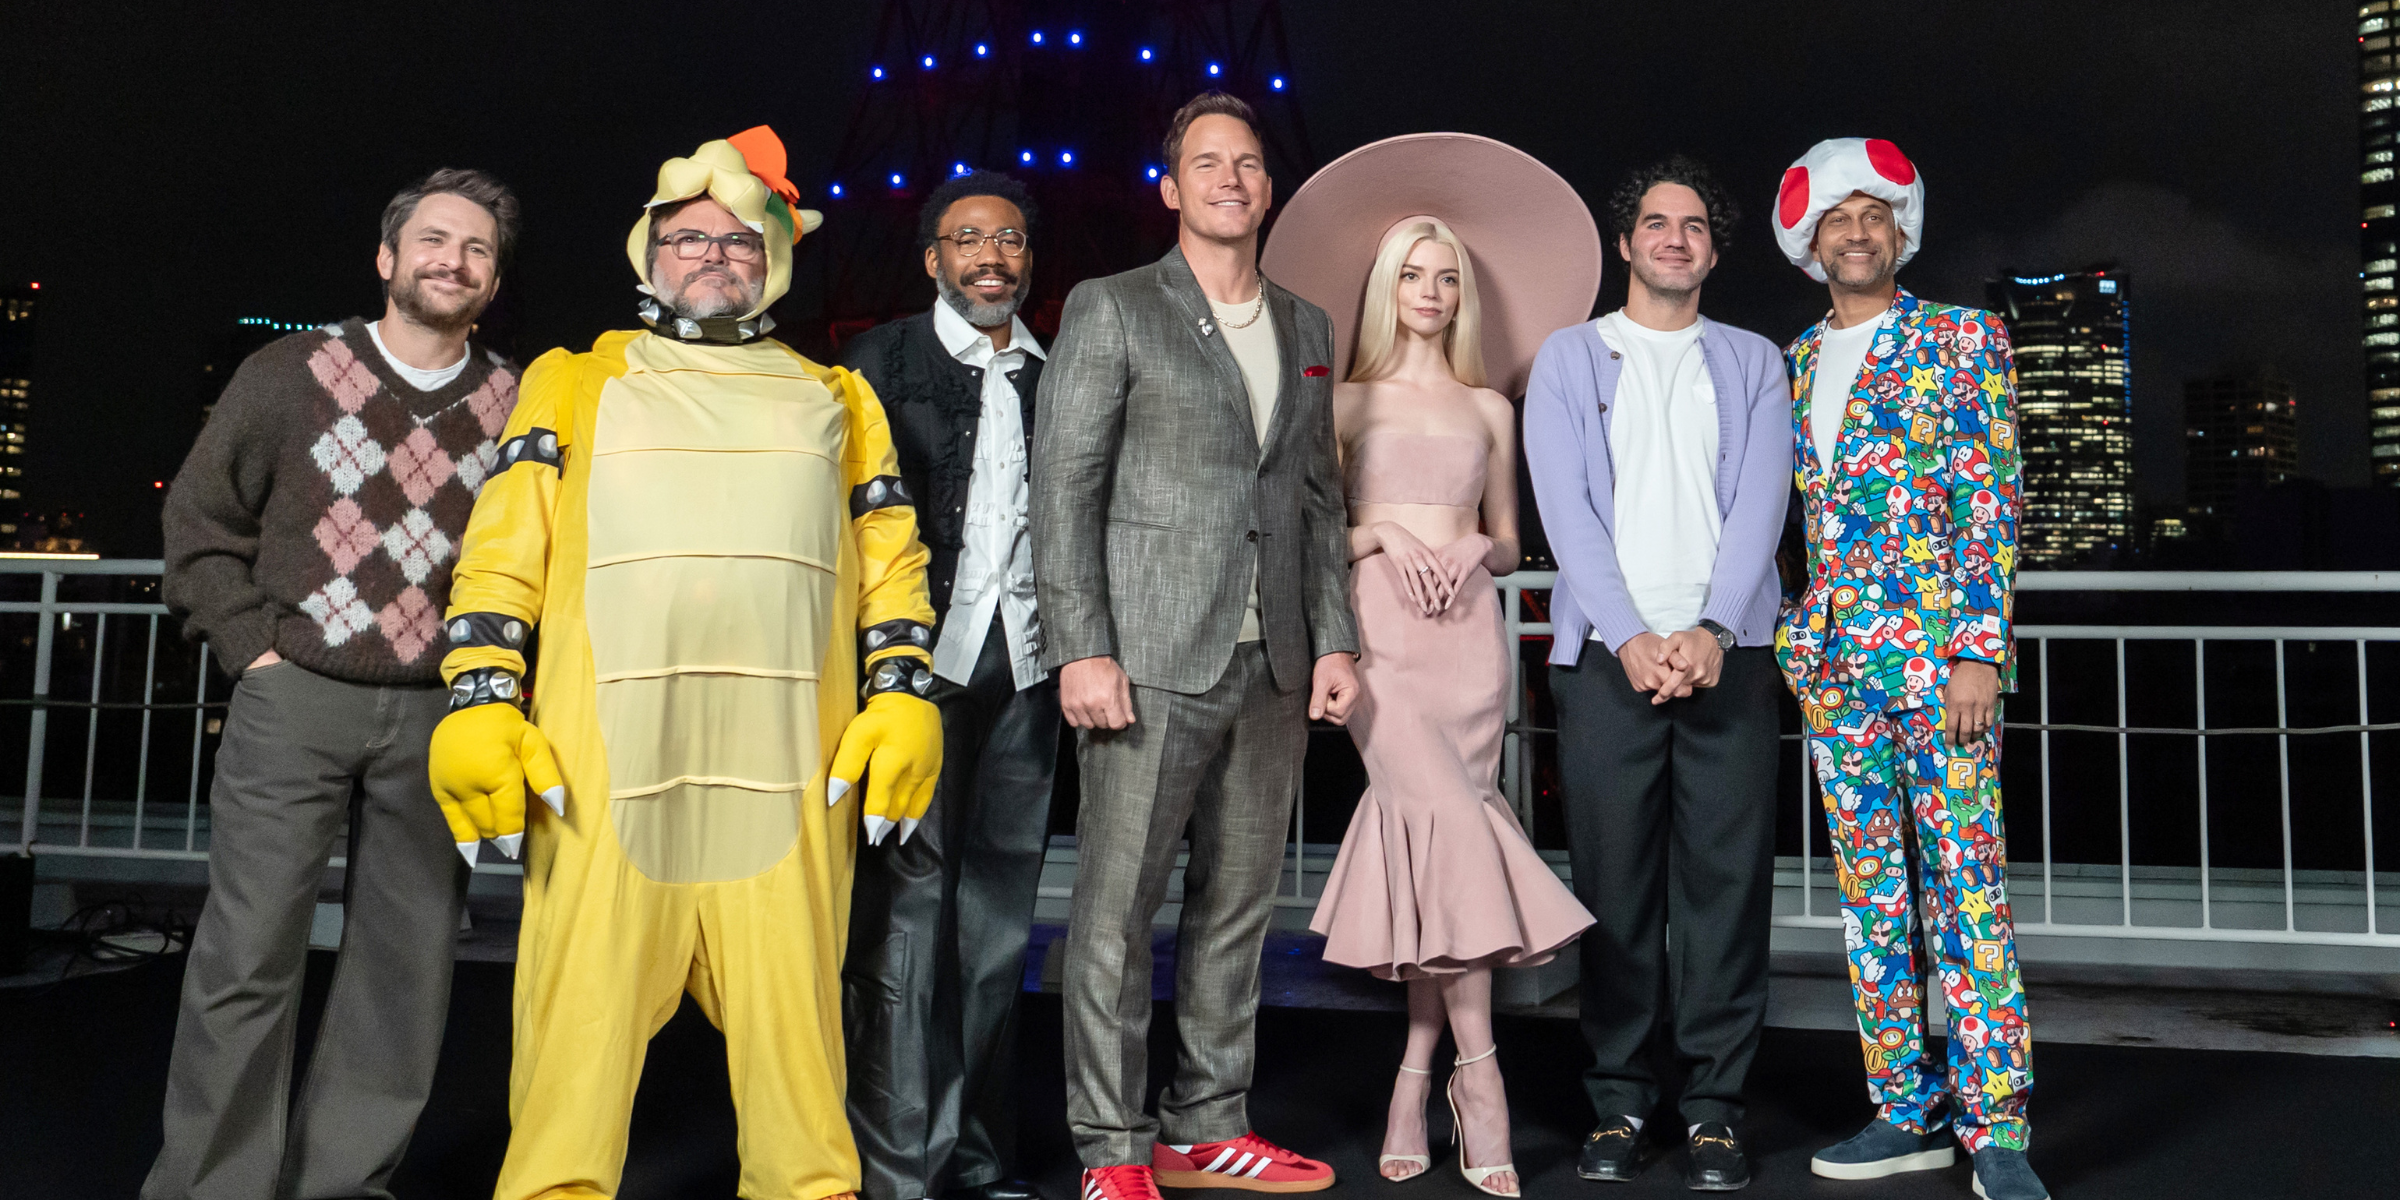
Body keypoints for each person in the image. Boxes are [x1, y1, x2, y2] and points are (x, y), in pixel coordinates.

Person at [426, 127, 943, 1200]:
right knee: (575, 1051)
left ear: (775, 261)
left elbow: (891, 564)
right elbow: (502, 554)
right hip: (608, 776)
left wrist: (901, 695)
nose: (714, 256)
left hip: (792, 781)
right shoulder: (571, 383)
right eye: (690, 238)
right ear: (648, 257)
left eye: (740, 241)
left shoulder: (839, 400)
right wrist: (479, 698)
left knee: (801, 1072)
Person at [149, 167, 520, 1200]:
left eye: (478, 248)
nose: (455, 258)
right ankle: (215, 1185)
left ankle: (343, 1182)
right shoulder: (291, 371)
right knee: (246, 958)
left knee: (404, 971)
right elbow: (198, 524)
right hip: (295, 694)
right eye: (435, 239)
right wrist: (251, 654)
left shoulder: (519, 402)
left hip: (441, 711)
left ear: (494, 277)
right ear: (387, 258)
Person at [1260, 131, 1605, 1199]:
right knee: (1450, 829)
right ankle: (1481, 1076)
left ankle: (1416, 1070)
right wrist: (1385, 538)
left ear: (1464, 295)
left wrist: (1465, 549)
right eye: (1411, 272)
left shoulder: (1493, 406)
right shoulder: (1344, 400)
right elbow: (1311, 530)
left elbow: (1509, 540)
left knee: (1441, 856)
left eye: (1446, 275)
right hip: (1380, 639)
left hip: (1468, 638)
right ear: (1382, 286)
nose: (1430, 289)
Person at [1030, 91, 1360, 1200]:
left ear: (1268, 188)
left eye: (1250, 163)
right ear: (1171, 189)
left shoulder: (1308, 325)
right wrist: (1082, 643)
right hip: (1148, 656)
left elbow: (1318, 499)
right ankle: (1111, 1148)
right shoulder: (1114, 307)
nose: (1231, 179)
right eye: (1207, 163)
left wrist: (1335, 640)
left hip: (1272, 661)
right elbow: (1064, 488)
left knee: (1236, 906)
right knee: (1117, 911)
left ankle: (1205, 1123)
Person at [1768, 137, 2044, 1200]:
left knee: (1968, 898)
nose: (1855, 229)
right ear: (1809, 241)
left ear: (1900, 231)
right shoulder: (1795, 360)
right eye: (1836, 216)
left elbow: (1991, 498)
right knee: (1872, 902)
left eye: (1873, 213)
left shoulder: (1964, 338)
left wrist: (1980, 648)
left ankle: (2000, 1130)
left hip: (1943, 669)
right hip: (1838, 673)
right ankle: (1903, 1111)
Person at [1521, 156, 1793, 1192]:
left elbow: (1763, 504)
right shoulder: (1568, 358)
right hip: (1605, 663)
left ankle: (1716, 1109)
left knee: (1728, 893)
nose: (1675, 238)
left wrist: (1715, 628)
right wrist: (1633, 635)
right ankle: (1621, 1100)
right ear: (1625, 242)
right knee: (1617, 890)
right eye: (1656, 223)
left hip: (1732, 656)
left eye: (1695, 227)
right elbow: (1567, 512)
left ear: (1714, 252)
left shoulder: (1754, 360)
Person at [837, 169, 1061, 1200]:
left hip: (1028, 669)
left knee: (997, 928)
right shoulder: (877, 363)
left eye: (1008, 241)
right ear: (933, 258)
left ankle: (977, 1154)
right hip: (910, 676)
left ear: (1027, 259)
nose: (989, 258)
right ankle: (898, 1165)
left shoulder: (1057, 373)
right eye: (967, 240)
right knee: (907, 924)